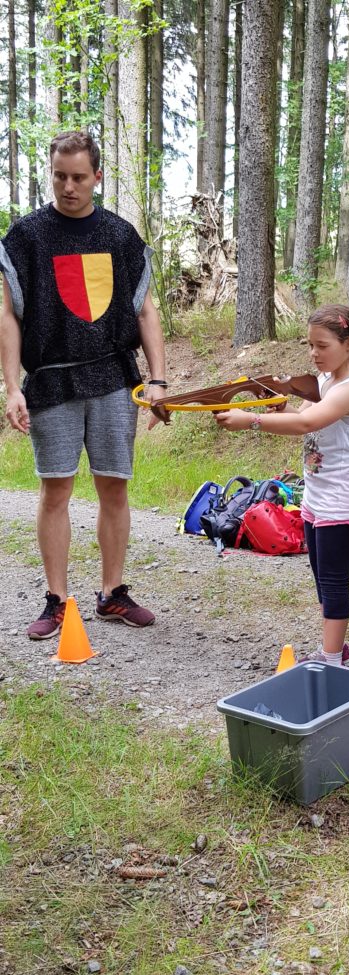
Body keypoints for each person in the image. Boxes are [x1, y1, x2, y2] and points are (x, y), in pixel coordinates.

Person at [0, 130, 167, 639]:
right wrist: (12, 387)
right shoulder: (26, 237)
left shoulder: (120, 236)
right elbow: (6, 315)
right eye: (59, 176)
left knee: (114, 488)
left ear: (97, 176)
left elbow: (144, 308)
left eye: (78, 177)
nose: (68, 186)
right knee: (56, 491)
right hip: (51, 380)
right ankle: (56, 599)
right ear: (50, 174)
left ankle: (113, 593)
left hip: (114, 377)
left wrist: (158, 378)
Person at [214, 304, 349, 669]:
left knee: (334, 581)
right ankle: (336, 648)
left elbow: (307, 424)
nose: (313, 353)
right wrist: (277, 406)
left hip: (345, 495)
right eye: (310, 345)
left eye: (322, 346)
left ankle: (332, 659)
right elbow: (300, 415)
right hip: (320, 493)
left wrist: (251, 419)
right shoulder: (326, 381)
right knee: (322, 575)